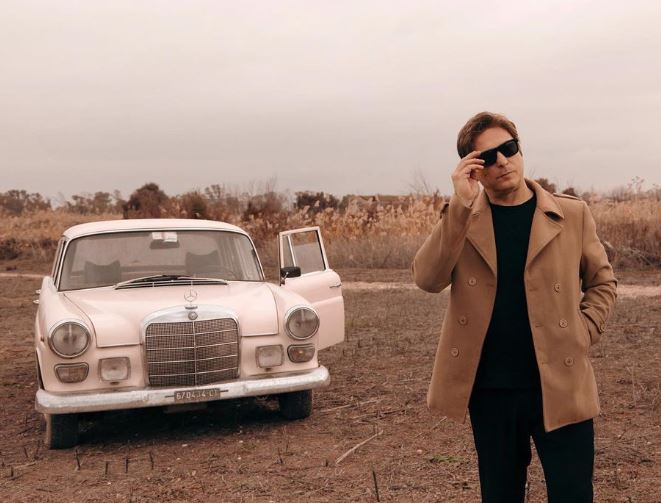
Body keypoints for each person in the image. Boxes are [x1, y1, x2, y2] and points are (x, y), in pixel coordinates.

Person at [411, 112, 617, 502]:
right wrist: (460, 205)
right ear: (473, 169)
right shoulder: (461, 218)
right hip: (491, 390)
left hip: (561, 382)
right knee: (501, 495)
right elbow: (427, 279)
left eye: (508, 149)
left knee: (573, 493)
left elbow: (603, 282)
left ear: (519, 151)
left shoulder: (571, 214)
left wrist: (584, 329)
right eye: (487, 157)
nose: (502, 161)